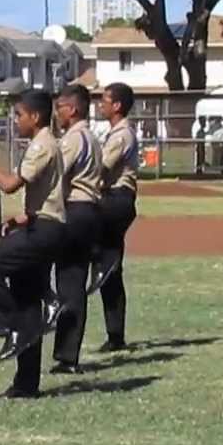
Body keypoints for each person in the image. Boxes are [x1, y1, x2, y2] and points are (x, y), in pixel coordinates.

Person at [0, 91, 66, 398]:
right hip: (39, 224)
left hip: (46, 232)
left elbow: (10, 185)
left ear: (34, 116)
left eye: (19, 115)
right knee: (26, 301)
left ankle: (12, 327)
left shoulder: (43, 145)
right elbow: (45, 194)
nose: (16, 121)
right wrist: (20, 219)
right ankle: (26, 382)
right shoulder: (43, 144)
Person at [42, 85, 104, 373]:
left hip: (75, 209)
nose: (57, 114)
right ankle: (68, 354)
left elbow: (54, 174)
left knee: (66, 282)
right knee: (73, 283)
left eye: (60, 108)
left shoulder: (73, 139)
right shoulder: (91, 137)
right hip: (90, 210)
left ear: (74, 109)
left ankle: (65, 351)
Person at [85, 83, 141, 353]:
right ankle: (115, 334)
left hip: (116, 199)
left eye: (105, 100)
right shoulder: (114, 133)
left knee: (99, 255)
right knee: (112, 271)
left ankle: (97, 260)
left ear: (117, 105)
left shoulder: (122, 135)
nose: (100, 104)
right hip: (112, 199)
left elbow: (101, 168)